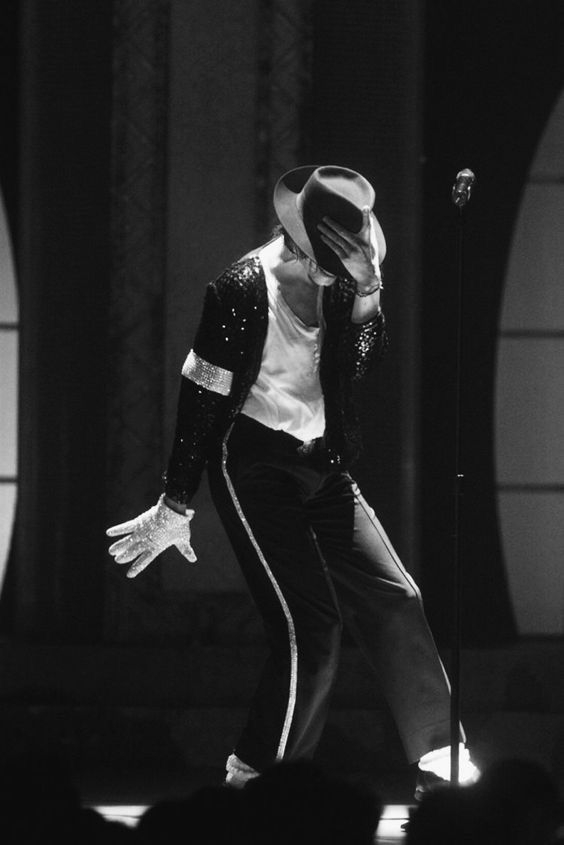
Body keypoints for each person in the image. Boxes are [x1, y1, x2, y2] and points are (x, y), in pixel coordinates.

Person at [107, 165, 478, 795]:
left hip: (323, 462)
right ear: (300, 244)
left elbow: (359, 365)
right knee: (312, 627)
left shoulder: (350, 278)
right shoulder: (239, 290)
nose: (338, 275)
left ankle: (442, 763)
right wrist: (175, 500)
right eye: (330, 264)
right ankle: (259, 781)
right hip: (253, 465)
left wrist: (368, 288)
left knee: (396, 597)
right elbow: (201, 399)